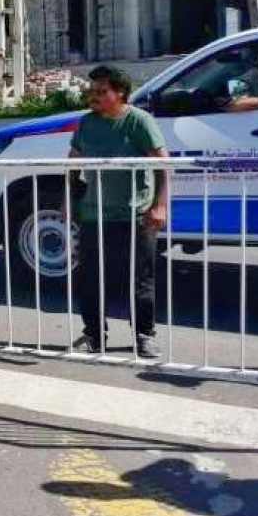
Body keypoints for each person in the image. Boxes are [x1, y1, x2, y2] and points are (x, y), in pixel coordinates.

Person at [68, 65, 167, 358]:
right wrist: (69, 201)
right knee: (91, 278)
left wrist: (159, 206)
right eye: (92, 91)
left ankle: (144, 335)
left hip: (135, 216)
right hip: (94, 215)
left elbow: (163, 163)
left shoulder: (139, 122)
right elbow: (73, 163)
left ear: (120, 93)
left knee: (140, 279)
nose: (94, 97)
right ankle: (94, 334)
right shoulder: (86, 124)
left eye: (102, 91)